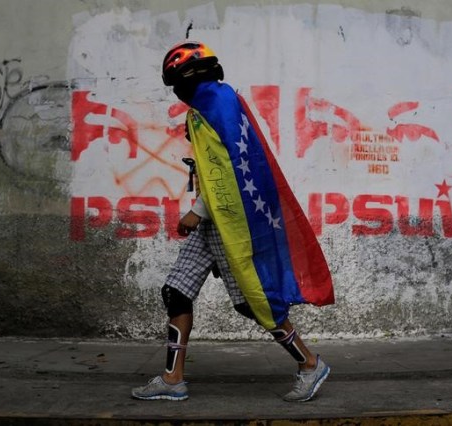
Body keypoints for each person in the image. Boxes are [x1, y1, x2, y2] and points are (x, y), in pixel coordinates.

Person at [131, 41, 334, 402]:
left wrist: (198, 211)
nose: (177, 91)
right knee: (176, 292)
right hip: (216, 220)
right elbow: (217, 169)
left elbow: (229, 172)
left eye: (177, 80)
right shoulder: (211, 106)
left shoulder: (216, 105)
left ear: (188, 76)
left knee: (253, 302)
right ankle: (172, 378)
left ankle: (309, 364)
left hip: (230, 222)